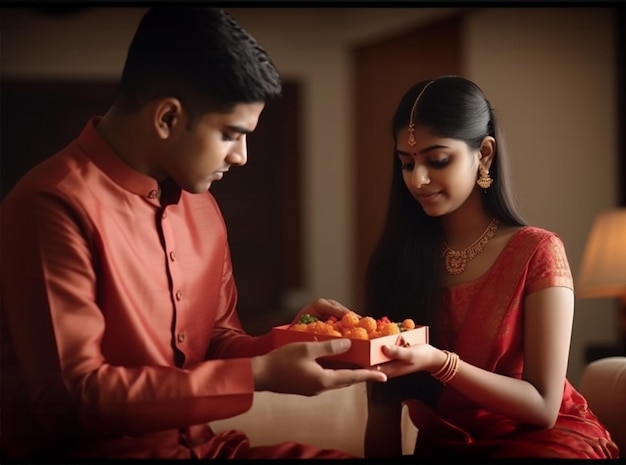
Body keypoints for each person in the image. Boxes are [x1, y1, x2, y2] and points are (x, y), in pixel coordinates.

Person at [0, 7, 388, 460]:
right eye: (230, 134)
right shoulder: (52, 205)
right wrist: (259, 374)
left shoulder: (201, 206)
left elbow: (218, 340)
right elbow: (72, 399)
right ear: (167, 118)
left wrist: (287, 343)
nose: (242, 157)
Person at [361, 76, 619, 459]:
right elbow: (382, 412)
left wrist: (440, 363)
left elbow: (543, 406)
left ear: (483, 153)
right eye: (406, 163)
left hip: (540, 442)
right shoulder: (396, 261)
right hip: (445, 445)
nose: (417, 179)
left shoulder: (537, 251)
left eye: (437, 160)